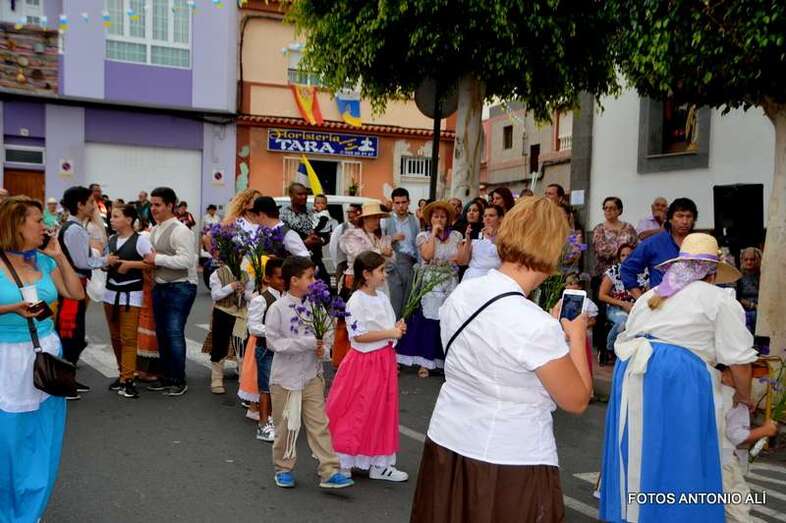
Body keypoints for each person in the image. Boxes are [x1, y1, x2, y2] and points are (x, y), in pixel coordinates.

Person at [410, 197, 592, 523]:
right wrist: (576, 336)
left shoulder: (463, 293)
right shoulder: (535, 325)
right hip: (509, 457)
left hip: (448, 440)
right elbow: (576, 399)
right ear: (552, 249)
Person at [599, 233, 758, 523]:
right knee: (684, 455)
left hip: (633, 371)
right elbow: (739, 361)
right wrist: (745, 399)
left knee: (641, 450)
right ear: (713, 274)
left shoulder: (650, 296)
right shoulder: (718, 299)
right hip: (678, 374)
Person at [0, 196, 85, 521]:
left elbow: (76, 293)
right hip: (7, 358)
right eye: (38, 221)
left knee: (42, 437)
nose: (46, 227)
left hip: (45, 357)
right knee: (9, 440)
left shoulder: (44, 261)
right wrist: (12, 308)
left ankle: (30, 512)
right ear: (16, 224)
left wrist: (59, 256)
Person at [264, 256, 354, 490]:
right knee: (286, 426)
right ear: (294, 280)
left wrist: (324, 347)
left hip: (312, 375)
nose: (314, 281)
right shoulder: (277, 308)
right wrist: (307, 343)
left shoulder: (315, 306)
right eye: (310, 277)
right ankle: (283, 468)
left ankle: (329, 470)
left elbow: (327, 334)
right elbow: (273, 342)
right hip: (285, 379)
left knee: (319, 424)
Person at [326, 251, 409, 482]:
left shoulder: (381, 297)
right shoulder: (356, 300)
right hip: (364, 362)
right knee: (356, 410)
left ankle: (379, 463)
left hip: (384, 360)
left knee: (381, 411)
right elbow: (358, 335)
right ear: (366, 274)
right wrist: (390, 332)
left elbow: (385, 326)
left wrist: (396, 328)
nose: (385, 275)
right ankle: (343, 461)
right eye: (381, 270)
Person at [57, 186, 117, 398]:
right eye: (90, 202)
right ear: (80, 205)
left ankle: (68, 378)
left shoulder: (75, 227)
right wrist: (105, 260)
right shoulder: (75, 230)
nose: (94, 206)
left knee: (74, 332)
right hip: (73, 285)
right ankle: (64, 381)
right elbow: (81, 262)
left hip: (75, 283)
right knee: (71, 332)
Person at [396, 201, 462, 378]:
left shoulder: (456, 236)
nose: (439, 220)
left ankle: (441, 361)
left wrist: (450, 261)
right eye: (435, 216)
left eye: (443, 216)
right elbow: (427, 255)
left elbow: (459, 258)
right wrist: (433, 233)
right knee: (428, 321)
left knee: (445, 321)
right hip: (430, 282)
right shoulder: (423, 236)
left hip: (449, 281)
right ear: (430, 219)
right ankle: (424, 362)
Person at [143, 187, 198, 397]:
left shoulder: (181, 230)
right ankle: (166, 376)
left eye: (157, 204)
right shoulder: (155, 230)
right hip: (160, 286)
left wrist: (157, 259)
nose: (153, 208)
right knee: (162, 333)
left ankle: (178, 379)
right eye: (152, 204)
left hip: (181, 286)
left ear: (170, 205)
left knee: (174, 333)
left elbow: (186, 260)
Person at [717, 364, 779, 523]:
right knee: (738, 506)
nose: (747, 380)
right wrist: (764, 430)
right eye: (745, 373)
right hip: (726, 463)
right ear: (723, 376)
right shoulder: (731, 397)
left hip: (718, 459)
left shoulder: (719, 395)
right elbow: (736, 436)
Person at [103, 204, 153, 399]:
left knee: (129, 339)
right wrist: (106, 263)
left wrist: (130, 264)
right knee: (115, 337)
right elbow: (104, 262)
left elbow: (151, 262)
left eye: (116, 216)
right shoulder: (111, 239)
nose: (112, 219)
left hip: (131, 294)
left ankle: (128, 379)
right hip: (110, 293)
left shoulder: (141, 240)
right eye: (112, 216)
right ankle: (122, 374)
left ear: (129, 219)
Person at [620, 197, 698, 298]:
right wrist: (642, 300)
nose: (684, 221)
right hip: (662, 303)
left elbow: (714, 275)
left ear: (694, 220)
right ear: (670, 219)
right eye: (680, 216)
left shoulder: (701, 243)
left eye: (689, 216)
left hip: (694, 302)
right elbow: (627, 269)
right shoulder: (654, 243)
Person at [247, 257, 285, 442]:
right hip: (266, 350)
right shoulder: (261, 300)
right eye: (279, 277)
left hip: (284, 350)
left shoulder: (288, 298)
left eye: (285, 277)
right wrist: (275, 332)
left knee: (280, 386)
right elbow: (253, 327)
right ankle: (263, 424)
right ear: (268, 278)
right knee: (266, 388)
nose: (283, 281)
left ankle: (275, 419)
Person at [206, 254, 248, 395]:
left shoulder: (245, 274)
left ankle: (244, 380)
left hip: (240, 313)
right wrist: (231, 286)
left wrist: (245, 293)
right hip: (222, 312)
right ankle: (216, 379)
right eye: (237, 254)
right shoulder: (217, 274)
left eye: (241, 254)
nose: (239, 257)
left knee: (241, 346)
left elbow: (251, 295)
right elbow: (215, 295)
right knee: (219, 346)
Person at [598, 244, 647, 359]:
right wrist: (623, 304)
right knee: (624, 322)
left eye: (629, 255)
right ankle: (611, 348)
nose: (626, 258)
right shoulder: (614, 271)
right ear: (619, 258)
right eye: (623, 255)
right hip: (616, 307)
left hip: (638, 307)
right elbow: (601, 295)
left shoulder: (643, 272)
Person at [280, 183, 328, 286]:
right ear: (291, 195)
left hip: (314, 261)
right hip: (294, 264)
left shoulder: (314, 213)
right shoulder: (283, 215)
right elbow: (280, 241)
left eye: (305, 194)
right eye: (300, 194)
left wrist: (320, 240)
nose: (304, 197)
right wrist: (304, 243)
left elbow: (326, 234)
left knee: (323, 289)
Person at [382, 188, 420, 318]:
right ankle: (393, 328)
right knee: (394, 302)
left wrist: (419, 265)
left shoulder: (415, 221)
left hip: (410, 264)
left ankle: (403, 329)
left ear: (409, 202)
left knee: (408, 304)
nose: (400, 206)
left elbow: (418, 245)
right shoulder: (385, 220)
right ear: (392, 203)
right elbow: (378, 243)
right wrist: (392, 238)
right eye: (397, 203)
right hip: (392, 263)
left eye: (403, 202)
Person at [591, 196, 638, 280]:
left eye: (611, 208)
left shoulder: (629, 228)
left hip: (626, 272)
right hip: (604, 274)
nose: (608, 210)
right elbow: (601, 250)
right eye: (605, 208)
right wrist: (623, 253)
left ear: (619, 210)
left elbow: (635, 247)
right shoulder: (599, 229)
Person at [456, 204, 503, 281]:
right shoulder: (475, 235)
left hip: (495, 277)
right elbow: (462, 262)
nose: (487, 218)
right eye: (485, 216)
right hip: (473, 278)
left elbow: (508, 259)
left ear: (500, 218)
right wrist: (468, 240)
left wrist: (493, 239)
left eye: (491, 215)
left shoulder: (506, 237)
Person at [328, 203, 362, 293]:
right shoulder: (341, 228)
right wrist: (338, 263)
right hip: (344, 265)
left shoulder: (362, 228)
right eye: (348, 212)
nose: (350, 215)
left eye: (352, 212)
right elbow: (333, 247)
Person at [737, 246, 762, 335]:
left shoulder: (762, 275)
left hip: (761, 311)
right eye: (746, 259)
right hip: (745, 311)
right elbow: (736, 297)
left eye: (752, 259)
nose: (749, 262)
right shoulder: (738, 276)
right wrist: (752, 305)